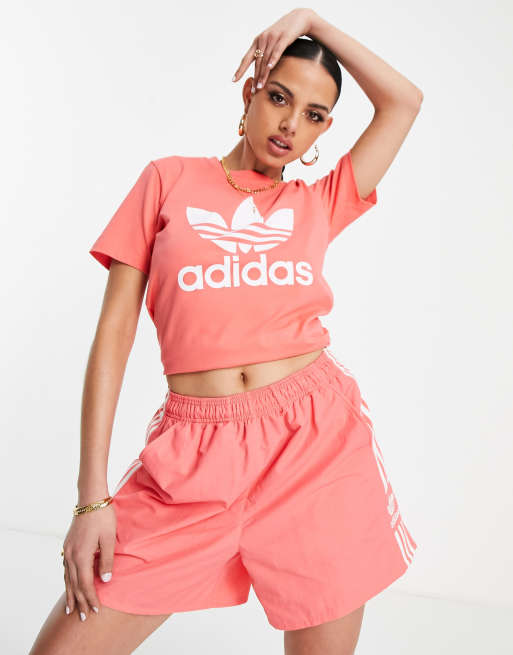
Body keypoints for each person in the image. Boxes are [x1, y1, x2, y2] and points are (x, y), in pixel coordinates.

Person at [29, 8, 423, 655]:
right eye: (279, 98)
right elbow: (113, 335)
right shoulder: (168, 181)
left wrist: (311, 20)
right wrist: (90, 498)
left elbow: (404, 102)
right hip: (192, 460)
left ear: (323, 129)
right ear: (250, 93)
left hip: (314, 449)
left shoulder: (318, 201)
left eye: (314, 114)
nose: (290, 124)